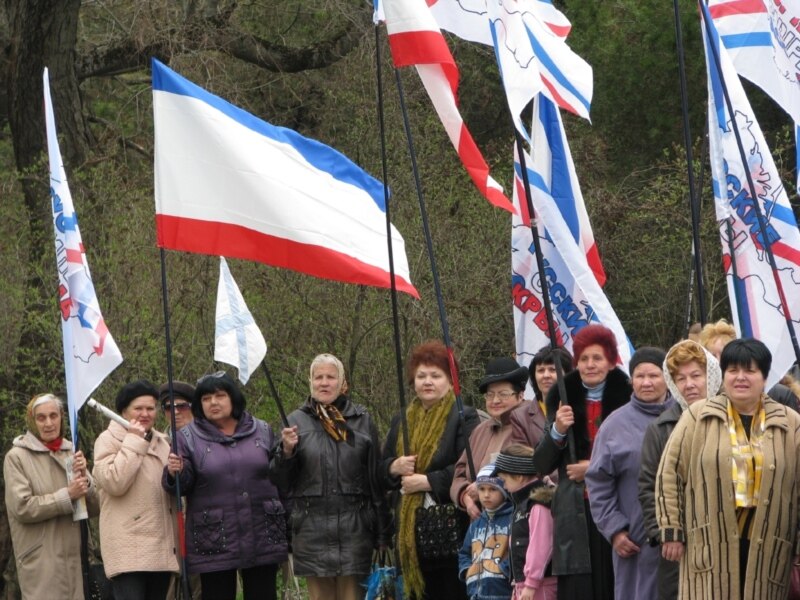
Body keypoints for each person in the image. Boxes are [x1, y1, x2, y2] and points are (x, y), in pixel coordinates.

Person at [656, 338, 800, 599]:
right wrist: (671, 530)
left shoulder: (790, 423)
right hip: (710, 543)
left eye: (750, 370)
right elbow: (669, 473)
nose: (740, 377)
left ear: (764, 377)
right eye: (733, 370)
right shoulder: (697, 416)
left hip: (769, 545)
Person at [272, 354, 389, 600]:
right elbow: (280, 482)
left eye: (330, 377)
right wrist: (287, 452)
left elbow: (375, 481)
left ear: (342, 382)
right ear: (310, 382)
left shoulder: (362, 421)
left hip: (355, 536)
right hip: (312, 537)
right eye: (318, 377)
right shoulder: (294, 422)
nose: (324, 383)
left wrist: (382, 533)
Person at [164, 371, 287, 600]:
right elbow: (183, 484)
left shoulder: (262, 430)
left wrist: (288, 452)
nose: (213, 402)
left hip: (262, 532)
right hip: (213, 537)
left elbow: (280, 475)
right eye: (206, 398)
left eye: (220, 396)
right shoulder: (187, 437)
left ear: (233, 398)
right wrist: (174, 473)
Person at [532, 324, 631, 600]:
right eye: (584, 358)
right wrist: (558, 430)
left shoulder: (628, 398)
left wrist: (593, 468)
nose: (590, 365)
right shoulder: (561, 399)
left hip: (616, 507)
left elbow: (636, 455)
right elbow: (541, 465)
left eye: (597, 358)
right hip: (575, 512)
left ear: (611, 361)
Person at [382, 340, 480, 600]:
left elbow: (468, 466)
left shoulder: (463, 416)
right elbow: (380, 470)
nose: (428, 382)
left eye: (436, 376)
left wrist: (427, 481)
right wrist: (393, 466)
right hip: (410, 535)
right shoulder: (401, 419)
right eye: (421, 376)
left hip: (450, 529)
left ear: (450, 381)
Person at [585, 347, 673, 600]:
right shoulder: (614, 425)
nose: (646, 382)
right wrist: (615, 530)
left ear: (667, 378)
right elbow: (598, 483)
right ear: (631, 380)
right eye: (639, 376)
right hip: (636, 541)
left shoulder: (685, 416)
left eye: (653, 376)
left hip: (683, 540)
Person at [637, 339, 721, 600]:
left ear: (711, 375)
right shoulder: (661, 428)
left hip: (725, 538)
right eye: (680, 378)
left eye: (696, 375)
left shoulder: (733, 418)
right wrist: (665, 534)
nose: (689, 384)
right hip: (680, 545)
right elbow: (648, 487)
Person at [4, 393, 98, 600]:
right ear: (32, 421)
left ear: (61, 417)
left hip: (76, 561)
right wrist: (67, 496)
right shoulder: (17, 457)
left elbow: (95, 508)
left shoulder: (71, 452)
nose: (49, 423)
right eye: (41, 418)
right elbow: (22, 507)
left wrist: (86, 479)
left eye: (53, 416)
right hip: (42, 562)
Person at [93, 380, 178, 600]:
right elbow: (114, 482)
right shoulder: (107, 440)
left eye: (151, 408)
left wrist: (174, 475)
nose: (145, 414)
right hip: (128, 551)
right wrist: (133, 440)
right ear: (123, 411)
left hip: (161, 550)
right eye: (138, 408)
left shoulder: (163, 442)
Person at [451, 357, 528, 519]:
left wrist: (484, 485)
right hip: (481, 525)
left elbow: (533, 473)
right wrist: (465, 497)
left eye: (503, 394)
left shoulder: (530, 426)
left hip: (519, 521)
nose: (495, 400)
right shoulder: (480, 431)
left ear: (520, 395)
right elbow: (459, 473)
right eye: (490, 395)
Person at [158, 380, 202, 600]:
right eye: (169, 407)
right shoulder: (158, 443)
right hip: (169, 535)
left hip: (204, 532)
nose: (175, 412)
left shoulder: (207, 439)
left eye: (182, 406)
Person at [495, 444, 557, 600]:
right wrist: (518, 587)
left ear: (519, 477)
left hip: (540, 587)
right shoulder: (522, 505)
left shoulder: (538, 505)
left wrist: (530, 584)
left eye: (504, 479)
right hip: (526, 587)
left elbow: (541, 546)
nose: (504, 485)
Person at [699, 319, 799, 411]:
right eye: (713, 356)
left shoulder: (777, 393)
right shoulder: (705, 394)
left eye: (723, 354)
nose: (718, 361)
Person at [457, 463, 514, 600]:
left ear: (504, 491)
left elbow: (518, 551)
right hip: (475, 594)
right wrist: (468, 571)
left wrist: (503, 570)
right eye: (482, 489)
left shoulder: (512, 519)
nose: (486, 495)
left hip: (503, 592)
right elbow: (464, 553)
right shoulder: (475, 524)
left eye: (493, 489)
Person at [509, 346, 573, 450]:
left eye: (553, 369)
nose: (546, 375)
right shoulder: (520, 417)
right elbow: (521, 457)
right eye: (541, 370)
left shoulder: (581, 407)